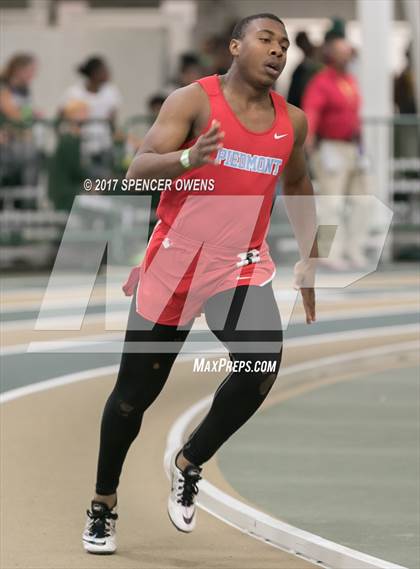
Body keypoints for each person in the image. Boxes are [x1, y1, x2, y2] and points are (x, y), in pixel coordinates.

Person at [82, 13, 318, 554]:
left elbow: (300, 180)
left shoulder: (293, 122)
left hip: (236, 265)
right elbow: (138, 168)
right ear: (236, 46)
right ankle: (102, 504)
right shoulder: (191, 102)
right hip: (176, 262)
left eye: (284, 45)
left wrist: (311, 256)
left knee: (261, 363)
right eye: (266, 40)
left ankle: (189, 462)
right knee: (131, 400)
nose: (278, 51)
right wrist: (188, 157)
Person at [303, 37, 370, 270]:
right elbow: (311, 110)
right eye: (341, 51)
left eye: (348, 51)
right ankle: (330, 253)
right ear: (331, 55)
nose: (347, 55)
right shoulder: (321, 82)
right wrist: (309, 138)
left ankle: (354, 248)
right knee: (333, 202)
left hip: (353, 147)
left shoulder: (350, 80)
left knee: (363, 201)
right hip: (330, 147)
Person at [61, 56, 121, 178]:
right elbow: (63, 115)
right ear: (94, 73)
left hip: (103, 144)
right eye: (103, 71)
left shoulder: (111, 92)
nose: (107, 74)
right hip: (80, 145)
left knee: (102, 176)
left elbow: (113, 120)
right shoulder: (74, 92)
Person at [0, 53, 40, 187]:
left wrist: (30, 114)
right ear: (19, 70)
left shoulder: (25, 89)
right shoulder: (4, 86)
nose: (33, 75)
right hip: (6, 142)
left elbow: (25, 113)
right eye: (31, 71)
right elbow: (12, 113)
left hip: (20, 141)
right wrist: (30, 115)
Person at [287, 31, 322, 109]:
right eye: (300, 44)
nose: (303, 46)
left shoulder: (320, 54)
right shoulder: (301, 67)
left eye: (303, 42)